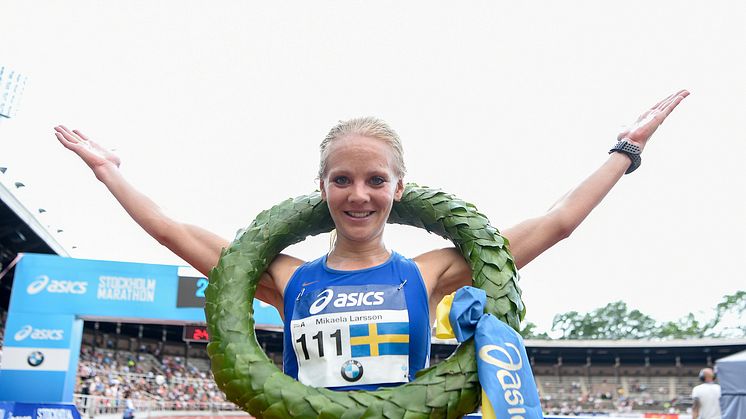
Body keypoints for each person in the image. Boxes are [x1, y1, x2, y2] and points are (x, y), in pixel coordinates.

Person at [54, 89, 688, 390]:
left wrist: (625, 149)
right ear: (321, 188)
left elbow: (557, 222)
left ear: (399, 189)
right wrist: (109, 169)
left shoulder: (432, 270)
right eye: (342, 179)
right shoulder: (287, 277)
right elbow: (170, 229)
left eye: (375, 180)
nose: (359, 194)